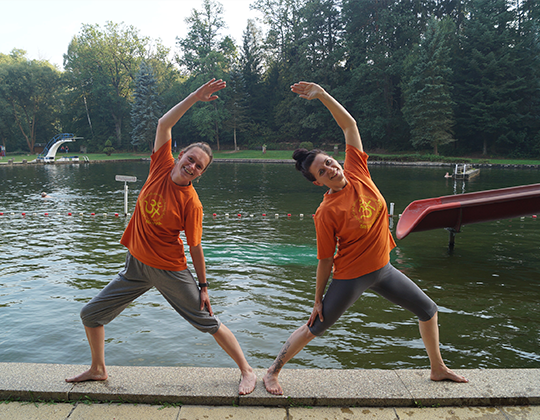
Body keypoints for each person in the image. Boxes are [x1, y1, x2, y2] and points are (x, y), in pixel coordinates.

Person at [263, 82, 468, 395]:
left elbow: (349, 124)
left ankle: (437, 368)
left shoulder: (358, 170)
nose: (330, 168)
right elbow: (325, 259)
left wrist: (322, 95)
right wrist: (317, 298)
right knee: (315, 326)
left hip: (384, 269)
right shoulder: (326, 212)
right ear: (318, 182)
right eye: (322, 171)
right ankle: (273, 371)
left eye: (329, 162)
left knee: (428, 310)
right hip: (351, 277)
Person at [66, 79, 257, 395]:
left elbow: (195, 246)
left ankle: (247, 371)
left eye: (199, 166)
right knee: (91, 314)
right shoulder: (160, 164)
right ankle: (98, 369)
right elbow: (163, 122)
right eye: (190, 159)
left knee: (206, 320)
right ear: (180, 154)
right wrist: (195, 97)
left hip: (169, 269)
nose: (192, 166)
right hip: (136, 265)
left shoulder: (191, 203)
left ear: (201, 173)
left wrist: (204, 287)